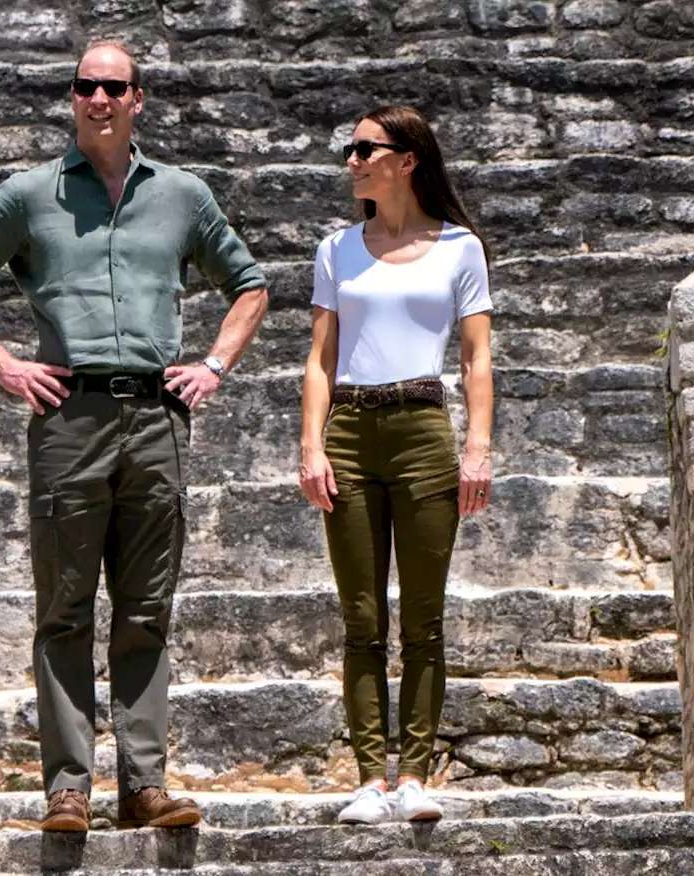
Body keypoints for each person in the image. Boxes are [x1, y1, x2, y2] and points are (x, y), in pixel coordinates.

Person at [0, 40, 269, 833]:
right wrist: (6, 365)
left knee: (146, 608)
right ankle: (68, 788)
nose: (100, 99)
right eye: (86, 86)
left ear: (138, 98)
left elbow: (249, 284)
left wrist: (214, 363)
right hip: (68, 417)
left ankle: (144, 785)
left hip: (156, 419)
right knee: (67, 608)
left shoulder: (183, 194)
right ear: (73, 97)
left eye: (115, 86)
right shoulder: (28, 195)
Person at [298, 105, 494, 824]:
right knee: (359, 618)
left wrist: (477, 446)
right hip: (349, 428)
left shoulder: (459, 249)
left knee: (424, 617)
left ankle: (414, 773)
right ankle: (368, 778)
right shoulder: (336, 249)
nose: (350, 161)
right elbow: (319, 360)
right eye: (348, 150)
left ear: (406, 159)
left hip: (422, 428)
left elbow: (476, 357)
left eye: (363, 149)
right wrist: (311, 445)